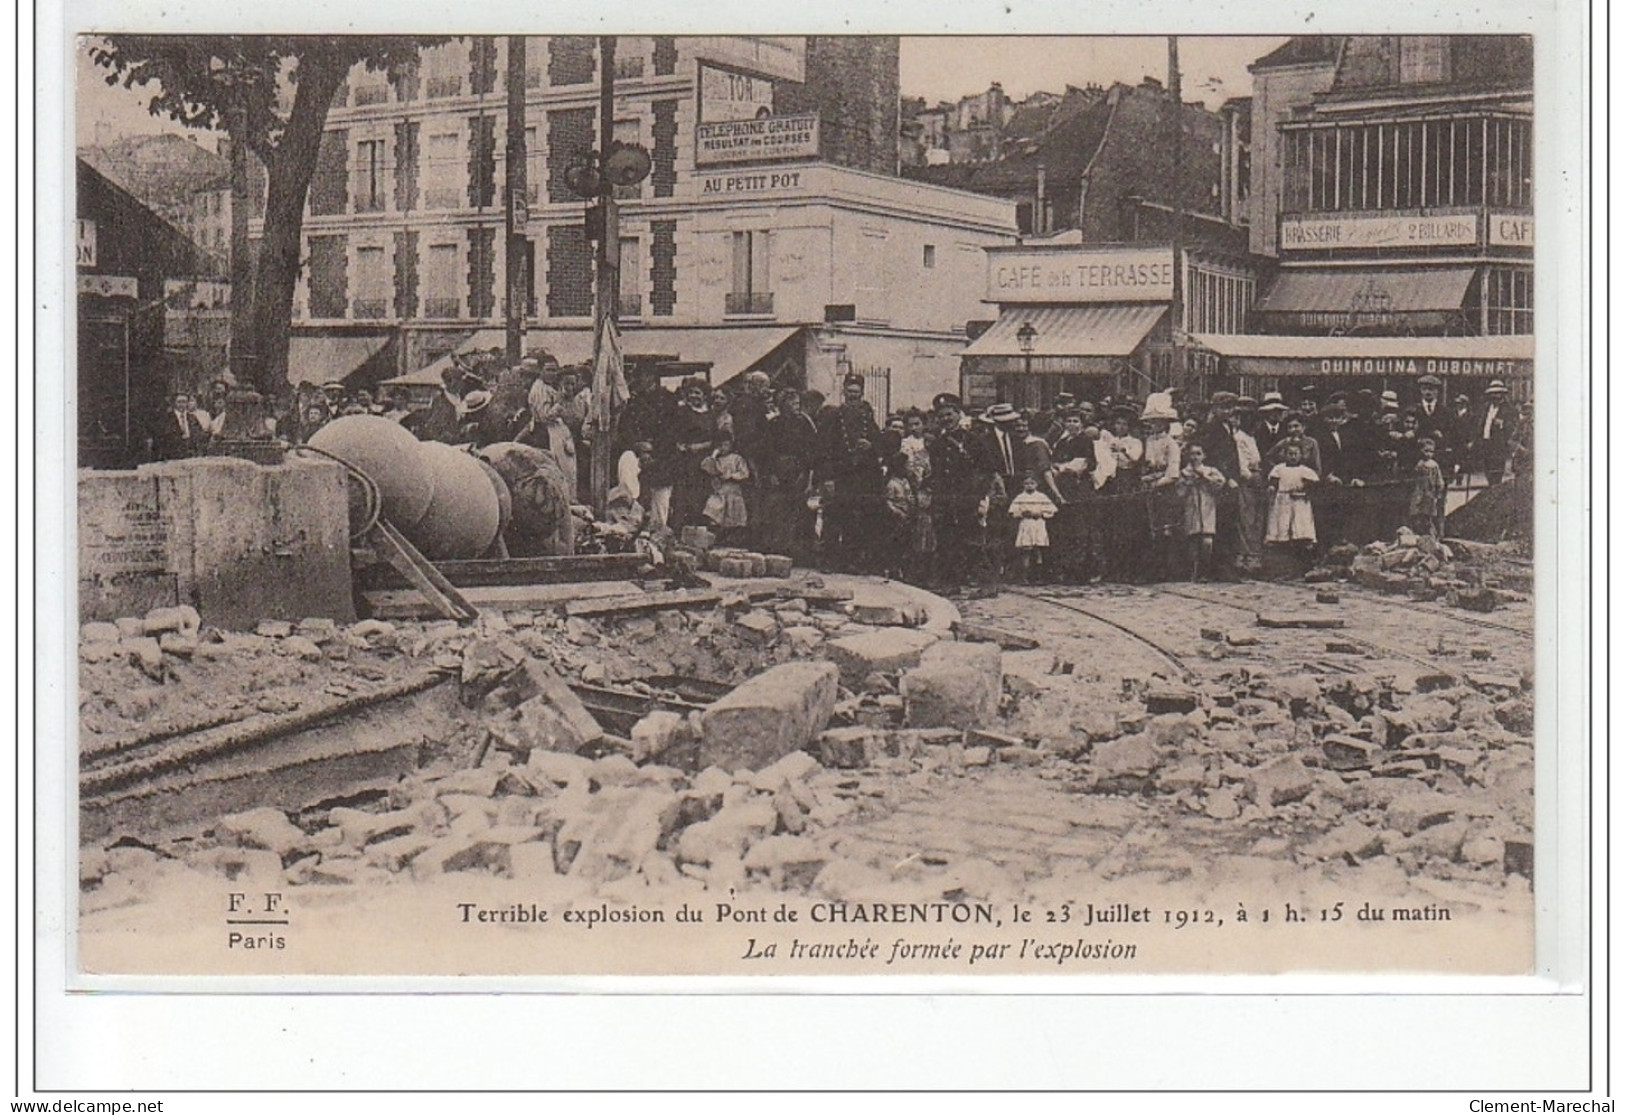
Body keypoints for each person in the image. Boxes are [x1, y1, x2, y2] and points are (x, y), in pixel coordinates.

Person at [817, 373, 883, 571]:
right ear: (844, 391)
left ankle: (850, 560)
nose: (853, 395)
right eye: (850, 391)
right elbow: (824, 449)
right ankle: (829, 560)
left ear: (861, 393)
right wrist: (827, 478)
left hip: (860, 476)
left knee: (854, 518)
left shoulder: (867, 416)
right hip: (839, 475)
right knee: (833, 517)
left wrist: (870, 445)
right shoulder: (832, 416)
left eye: (857, 392)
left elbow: (878, 443)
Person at [1138, 393, 1184, 583]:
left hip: (1165, 489)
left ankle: (1167, 570)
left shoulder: (1171, 444)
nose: (1155, 425)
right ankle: (1151, 569)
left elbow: (1173, 472)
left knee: (1166, 530)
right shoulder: (1148, 441)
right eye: (1152, 422)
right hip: (1149, 487)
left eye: (1159, 421)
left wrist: (1155, 483)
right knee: (1149, 530)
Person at [1177, 443, 1235, 582]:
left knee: (1207, 541)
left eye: (1198, 454)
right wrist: (1189, 483)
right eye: (1192, 454)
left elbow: (1219, 485)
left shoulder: (1211, 470)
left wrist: (1205, 477)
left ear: (1204, 456)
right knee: (1193, 542)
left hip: (1208, 508)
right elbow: (1180, 493)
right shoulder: (1184, 473)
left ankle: (1205, 571)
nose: (1195, 457)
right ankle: (1194, 571)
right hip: (1192, 508)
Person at [671, 377, 719, 530]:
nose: (693, 396)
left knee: (701, 495)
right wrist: (681, 446)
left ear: (705, 395)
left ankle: (698, 531)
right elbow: (675, 433)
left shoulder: (711, 415)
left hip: (703, 459)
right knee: (683, 495)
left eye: (697, 393)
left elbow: (715, 439)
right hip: (685, 460)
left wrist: (701, 447)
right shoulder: (682, 412)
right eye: (691, 393)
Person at [522, 378, 579, 499]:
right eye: (548, 370)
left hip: (560, 433)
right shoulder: (540, 390)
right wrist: (558, 405)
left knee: (566, 470)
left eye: (573, 384)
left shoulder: (553, 392)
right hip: (549, 433)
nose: (551, 374)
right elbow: (544, 416)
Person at [1265, 441, 1319, 565]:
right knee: (1282, 527)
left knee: (1300, 528)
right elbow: (1273, 482)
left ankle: (1302, 562)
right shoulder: (1279, 468)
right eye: (1290, 454)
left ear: (1301, 455)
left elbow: (1313, 486)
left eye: (1295, 454)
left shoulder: (1305, 470)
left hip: (1300, 503)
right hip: (1282, 501)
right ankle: (1283, 561)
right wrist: (1272, 488)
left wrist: (1304, 491)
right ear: (1284, 455)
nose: (1293, 456)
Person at [700, 431, 750, 542]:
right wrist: (713, 455)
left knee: (733, 518)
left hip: (733, 492)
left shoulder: (736, 458)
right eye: (720, 445)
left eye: (725, 445)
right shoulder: (716, 461)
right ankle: (715, 537)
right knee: (712, 511)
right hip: (719, 492)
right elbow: (706, 467)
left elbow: (744, 473)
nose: (723, 448)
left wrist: (732, 476)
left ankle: (732, 539)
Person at [1007, 473, 1057, 585]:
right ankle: (1024, 577)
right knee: (1026, 550)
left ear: (1037, 484)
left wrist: (1041, 513)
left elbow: (1052, 510)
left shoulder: (1041, 497)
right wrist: (1022, 513)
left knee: (1038, 550)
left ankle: (1038, 577)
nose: (1029, 486)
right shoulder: (1020, 497)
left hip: (1038, 524)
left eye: (1032, 483)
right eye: (1026, 483)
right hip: (1026, 524)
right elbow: (1013, 511)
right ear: (1023, 485)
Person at [1469, 380, 1514, 486]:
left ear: (1502, 394)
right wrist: (1474, 440)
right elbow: (1479, 424)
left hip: (1498, 446)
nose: (1495, 396)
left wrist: (1502, 424)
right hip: (1485, 443)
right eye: (1493, 393)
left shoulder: (1508, 409)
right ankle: (1491, 489)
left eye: (1497, 393)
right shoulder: (1485, 408)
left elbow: (1512, 427)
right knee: (1488, 471)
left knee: (1497, 472)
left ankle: (1495, 492)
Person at [152, 391, 212, 460]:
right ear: (174, 403)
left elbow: (199, 434)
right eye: (179, 402)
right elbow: (163, 438)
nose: (182, 405)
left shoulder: (192, 418)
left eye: (184, 402)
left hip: (191, 454)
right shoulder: (167, 418)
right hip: (173, 454)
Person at [1409, 438, 1446, 538]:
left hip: (1430, 493)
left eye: (1431, 451)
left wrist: (1438, 491)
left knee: (1428, 515)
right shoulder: (1419, 464)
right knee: (1417, 513)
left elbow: (1439, 480)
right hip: (1419, 491)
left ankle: (1432, 535)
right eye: (1426, 451)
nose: (1428, 454)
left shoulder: (1434, 465)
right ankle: (1418, 534)